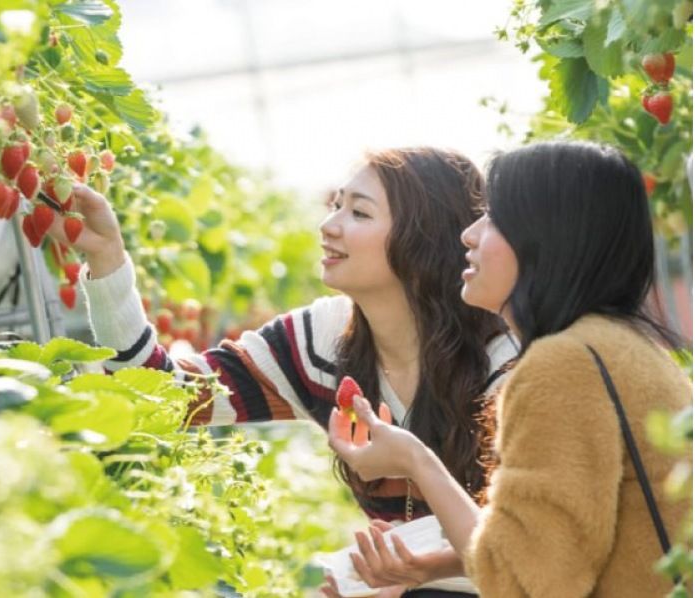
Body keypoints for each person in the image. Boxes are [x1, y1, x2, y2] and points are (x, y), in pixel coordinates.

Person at [49, 147, 517, 595]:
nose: (328, 226)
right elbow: (163, 396)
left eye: (358, 213)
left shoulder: (506, 360)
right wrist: (107, 257)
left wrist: (417, 572)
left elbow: (530, 547)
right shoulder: (321, 342)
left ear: (421, 239)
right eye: (335, 205)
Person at [328, 141, 692, 597]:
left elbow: (524, 585)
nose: (470, 234)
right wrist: (428, 568)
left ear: (548, 238)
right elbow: (565, 551)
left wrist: (414, 460)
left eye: (495, 218)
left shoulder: (564, 365)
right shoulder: (619, 346)